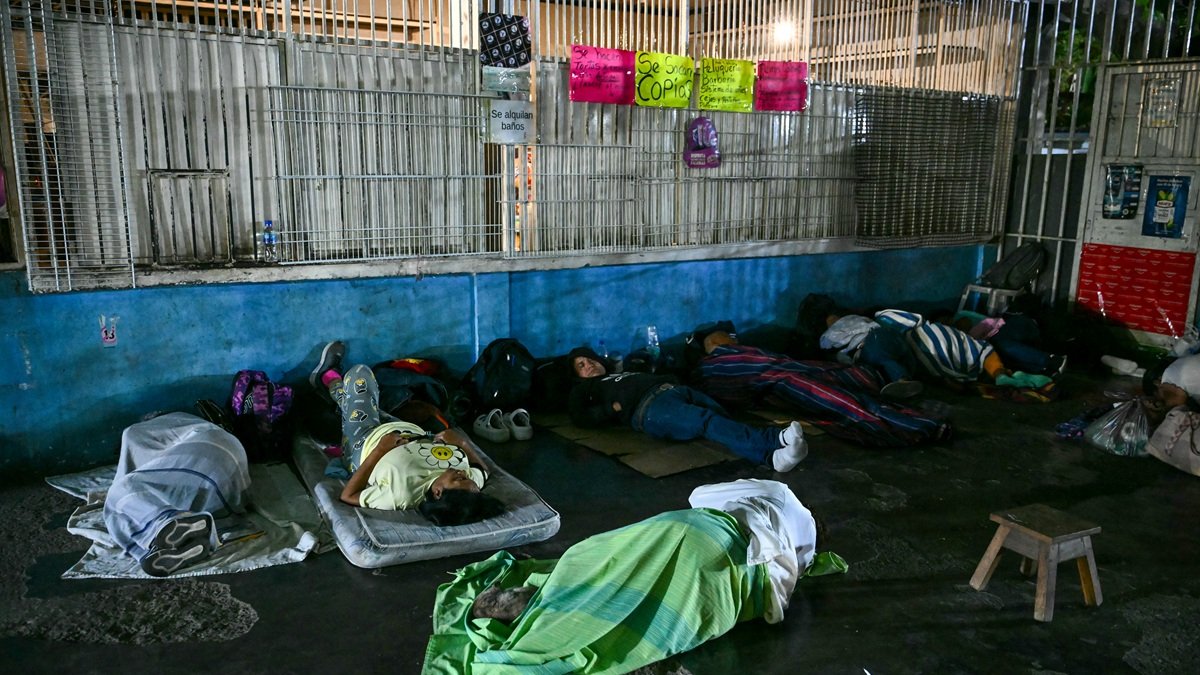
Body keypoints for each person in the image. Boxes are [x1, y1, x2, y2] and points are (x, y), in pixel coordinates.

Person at [424, 479, 846, 674]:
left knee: (597, 563)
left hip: (701, 530)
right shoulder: (801, 560)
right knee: (666, 617)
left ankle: (540, 609)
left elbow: (701, 497)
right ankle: (628, 648)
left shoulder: (779, 494)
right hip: (738, 587)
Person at [310, 341, 505, 525]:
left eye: (458, 479)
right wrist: (463, 444)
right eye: (467, 478)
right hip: (402, 428)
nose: (462, 473)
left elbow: (348, 496)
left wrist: (380, 449)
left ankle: (329, 378)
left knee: (360, 376)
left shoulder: (401, 494)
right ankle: (330, 384)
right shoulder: (470, 486)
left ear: (438, 492)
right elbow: (484, 471)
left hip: (365, 442)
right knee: (367, 403)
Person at [566, 346, 809, 472]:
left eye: (590, 360)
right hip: (649, 408)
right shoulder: (585, 389)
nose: (589, 366)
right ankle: (772, 452)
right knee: (706, 421)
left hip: (672, 391)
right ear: (576, 375)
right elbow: (579, 417)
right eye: (581, 366)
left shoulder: (619, 374)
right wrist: (611, 408)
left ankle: (774, 444)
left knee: (721, 417)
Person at [695, 328, 949, 448]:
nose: (735, 338)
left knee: (845, 387)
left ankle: (901, 406)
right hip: (782, 382)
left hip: (787, 375)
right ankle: (917, 427)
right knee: (848, 404)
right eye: (729, 336)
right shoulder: (718, 361)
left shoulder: (739, 353)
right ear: (716, 342)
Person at [103, 412, 251, 577]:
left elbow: (130, 452)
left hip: (204, 451)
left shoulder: (145, 428)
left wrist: (122, 487)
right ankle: (186, 539)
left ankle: (160, 531)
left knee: (119, 498)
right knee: (177, 501)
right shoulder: (196, 424)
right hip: (233, 473)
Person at [820, 312, 924, 398]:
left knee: (879, 356)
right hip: (892, 342)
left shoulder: (835, 331)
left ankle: (902, 380)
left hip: (878, 339)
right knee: (885, 364)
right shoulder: (852, 322)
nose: (833, 321)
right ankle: (901, 381)